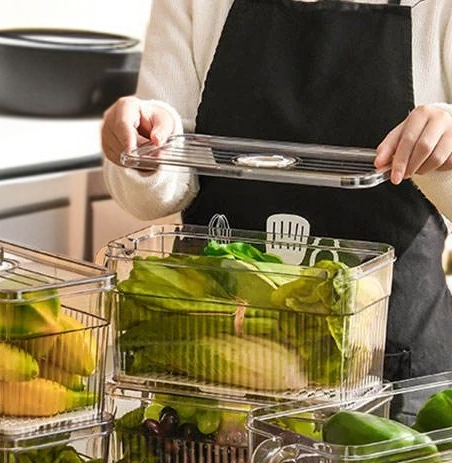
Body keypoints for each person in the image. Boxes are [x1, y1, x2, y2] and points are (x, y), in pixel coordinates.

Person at [101, 0, 452, 381]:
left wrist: (445, 155)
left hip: (388, 366)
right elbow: (148, 194)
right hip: (214, 356)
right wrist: (145, 150)